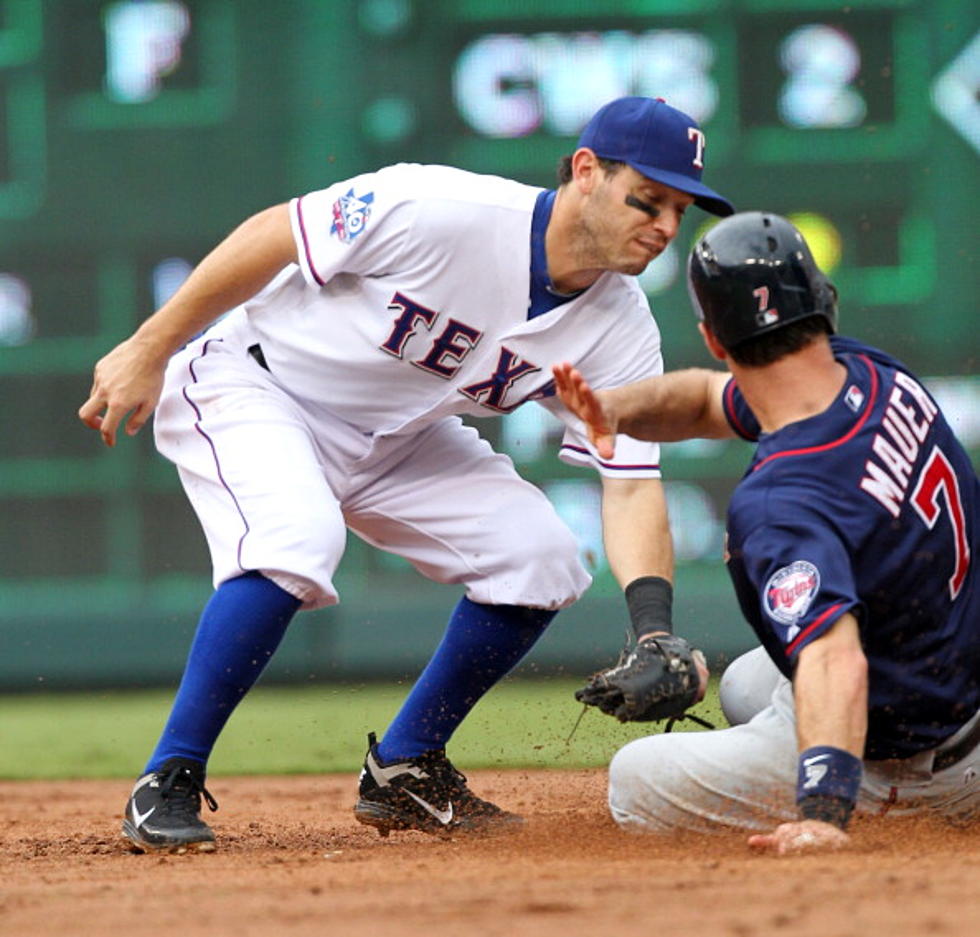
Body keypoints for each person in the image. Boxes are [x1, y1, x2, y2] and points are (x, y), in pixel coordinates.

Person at [77, 96, 734, 852]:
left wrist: (653, 627)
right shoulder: (442, 207)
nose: (663, 226)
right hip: (256, 385)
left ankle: (404, 768)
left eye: (679, 211)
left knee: (542, 557)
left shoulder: (619, 326)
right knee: (297, 540)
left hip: (399, 438)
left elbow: (629, 480)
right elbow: (275, 233)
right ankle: (168, 777)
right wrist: (150, 346)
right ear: (586, 171)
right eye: (647, 199)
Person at [552, 211, 979, 855]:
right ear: (822, 299)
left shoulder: (783, 501)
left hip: (914, 757)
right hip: (956, 672)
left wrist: (825, 811)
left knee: (635, 781)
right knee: (749, 682)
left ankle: (900, 805)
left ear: (714, 338)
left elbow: (835, 658)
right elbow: (703, 401)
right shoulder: (868, 374)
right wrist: (613, 410)